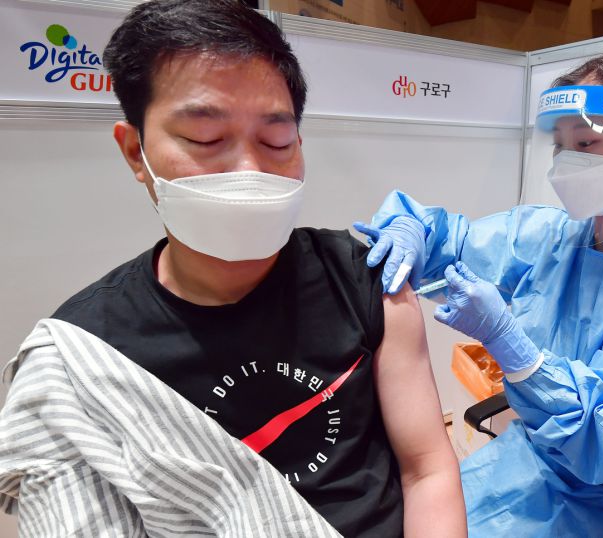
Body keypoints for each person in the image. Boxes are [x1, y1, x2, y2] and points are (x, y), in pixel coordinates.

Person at [0, 1, 466, 537]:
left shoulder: (366, 279)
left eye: (276, 141)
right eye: (205, 139)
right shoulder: (82, 359)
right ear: (134, 152)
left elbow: (427, 469)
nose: (249, 170)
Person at [354, 48, 603, 537]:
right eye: (561, 146)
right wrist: (410, 229)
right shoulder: (553, 236)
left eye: (587, 143)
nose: (567, 163)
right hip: (539, 463)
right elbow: (449, 241)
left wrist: (514, 350)